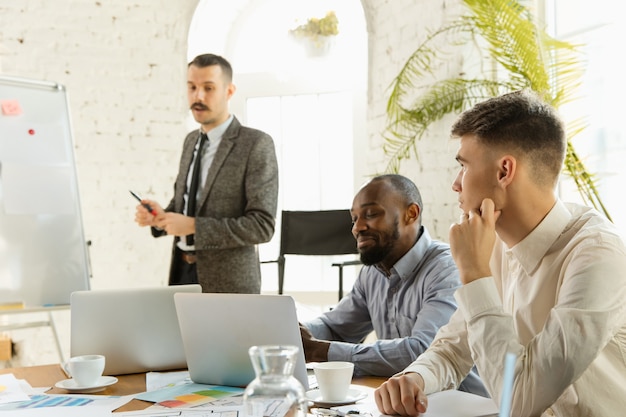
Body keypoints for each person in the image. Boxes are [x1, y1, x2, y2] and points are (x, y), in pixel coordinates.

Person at [374, 90, 626, 417]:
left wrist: (475, 274)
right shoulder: (491, 244)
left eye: (463, 166)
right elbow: (453, 348)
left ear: (504, 171)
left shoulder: (597, 256)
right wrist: (415, 377)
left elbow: (517, 401)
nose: (455, 184)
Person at [300, 174, 487, 396]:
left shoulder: (446, 269)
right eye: (354, 218)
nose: (357, 227)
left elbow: (422, 351)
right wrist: (292, 335)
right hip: (403, 404)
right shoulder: (372, 273)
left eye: (371, 214)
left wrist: (319, 350)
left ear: (411, 214)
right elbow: (336, 328)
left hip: (461, 407)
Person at [134, 53, 278, 293]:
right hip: (182, 276)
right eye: (192, 87)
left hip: (229, 284)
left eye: (208, 88)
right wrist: (160, 217)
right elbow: (186, 207)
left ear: (229, 91)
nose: (198, 96)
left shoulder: (255, 144)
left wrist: (194, 227)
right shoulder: (191, 141)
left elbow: (261, 226)